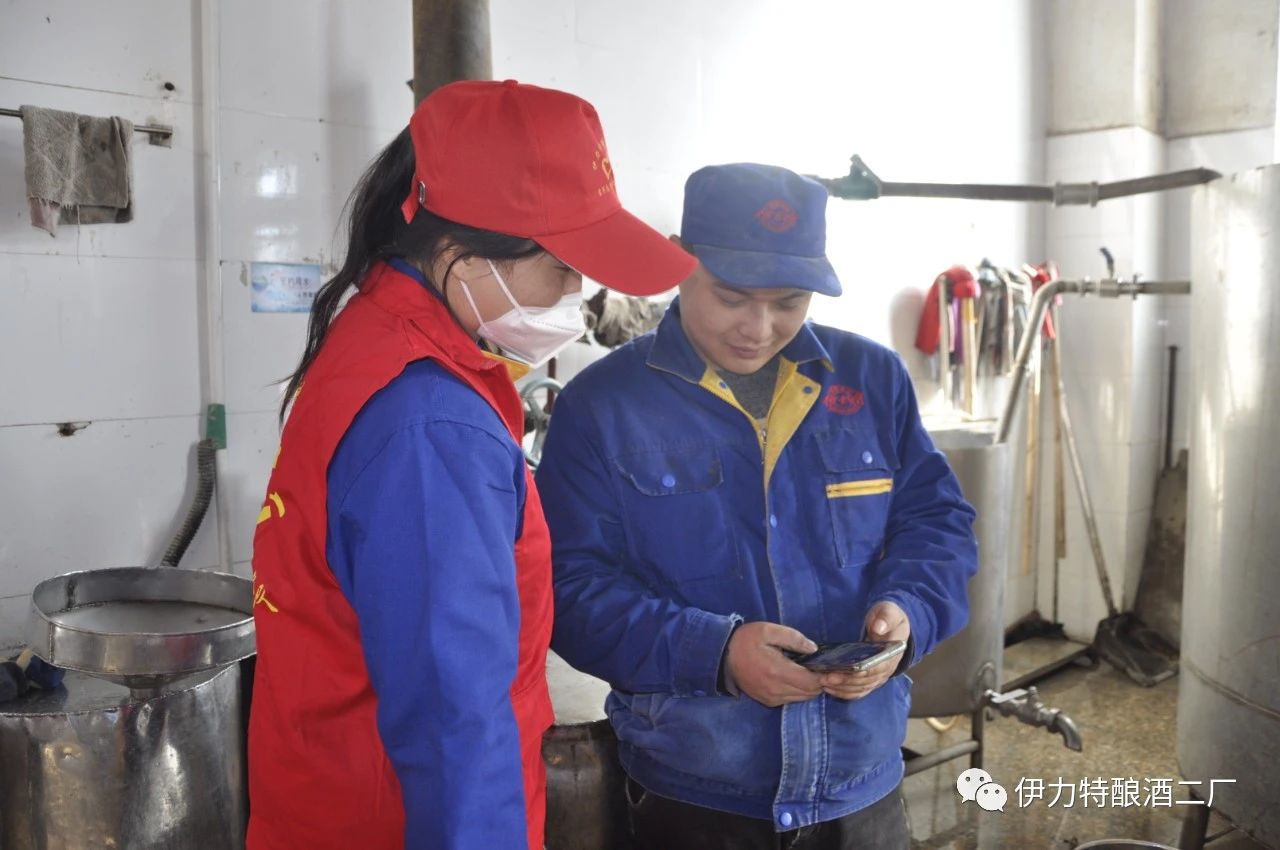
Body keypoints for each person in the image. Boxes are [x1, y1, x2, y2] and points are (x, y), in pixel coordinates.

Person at [246, 79, 696, 850]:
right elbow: (457, 723)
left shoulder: (377, 334)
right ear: (462, 257)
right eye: (563, 265)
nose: (579, 290)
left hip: (328, 800)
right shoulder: (432, 429)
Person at [535, 163, 978, 849]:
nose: (759, 327)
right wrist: (716, 654)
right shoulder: (604, 407)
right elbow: (567, 587)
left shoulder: (871, 381)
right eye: (732, 297)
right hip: (695, 793)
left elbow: (938, 523)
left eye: (789, 302)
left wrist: (910, 612)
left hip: (861, 786)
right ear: (679, 260)